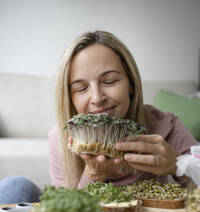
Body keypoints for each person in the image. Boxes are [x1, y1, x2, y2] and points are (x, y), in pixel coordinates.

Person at [48, 30, 198, 190]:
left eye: (109, 81)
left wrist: (179, 165)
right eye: (81, 88)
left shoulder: (166, 125)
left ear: (131, 84)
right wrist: (93, 175)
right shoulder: (61, 138)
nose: (97, 98)